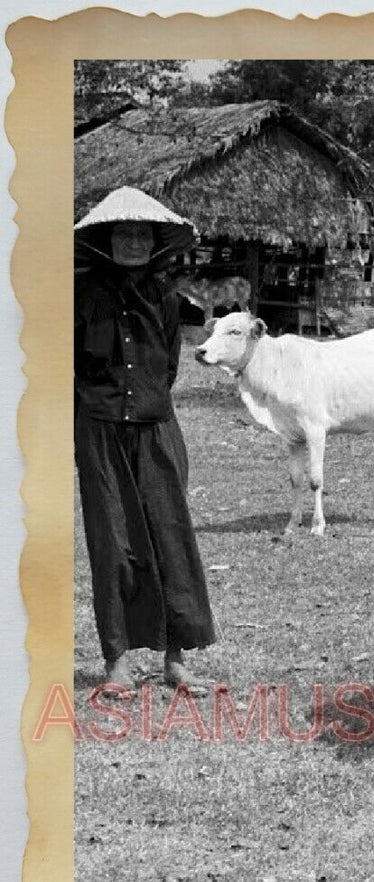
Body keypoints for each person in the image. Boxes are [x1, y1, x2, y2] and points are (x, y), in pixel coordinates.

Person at [73, 187, 219, 695]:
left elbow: (169, 367)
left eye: (142, 233)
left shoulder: (167, 298)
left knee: (169, 536)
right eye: (123, 232)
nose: (133, 241)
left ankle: (176, 661)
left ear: (155, 241)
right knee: (111, 542)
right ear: (104, 239)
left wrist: (148, 405)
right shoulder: (79, 296)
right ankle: (117, 662)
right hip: (100, 430)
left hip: (157, 430)